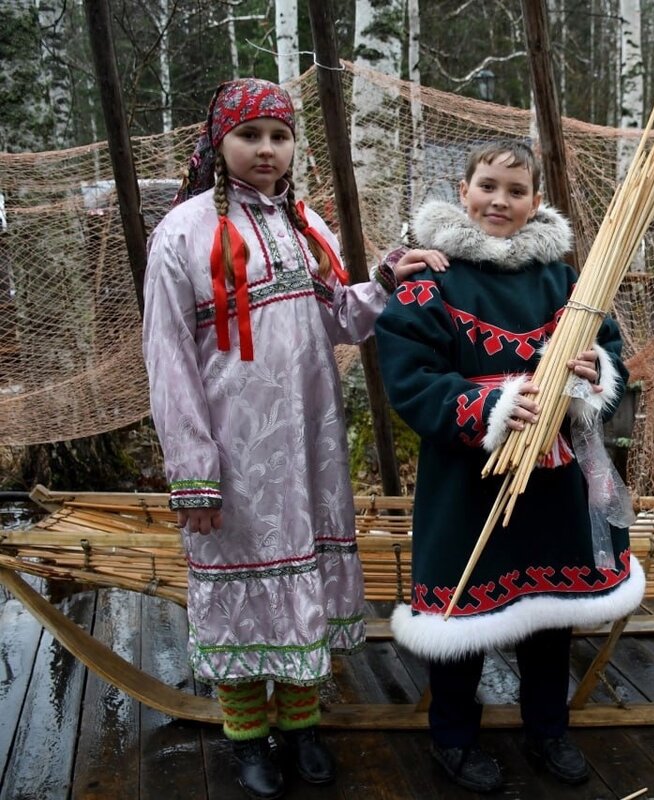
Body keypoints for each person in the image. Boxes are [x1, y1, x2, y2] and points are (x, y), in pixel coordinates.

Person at [142, 77, 446, 800]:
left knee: (303, 585)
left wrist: (384, 279)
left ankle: (303, 728)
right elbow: (167, 361)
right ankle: (248, 739)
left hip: (309, 450)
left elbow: (341, 319)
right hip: (233, 458)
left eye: (279, 137)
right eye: (251, 136)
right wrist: (194, 471)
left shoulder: (307, 224)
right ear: (220, 144)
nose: (267, 150)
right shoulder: (182, 233)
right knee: (245, 593)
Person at [374, 141, 645, 793]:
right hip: (468, 480)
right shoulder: (430, 279)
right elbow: (410, 377)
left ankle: (547, 730)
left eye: (516, 190)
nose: (500, 201)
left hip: (553, 477)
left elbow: (607, 351)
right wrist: (490, 404)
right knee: (464, 611)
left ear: (536, 202)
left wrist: (592, 375)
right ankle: (454, 739)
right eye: (487, 186)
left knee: (549, 612)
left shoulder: (566, 280)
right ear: (462, 190)